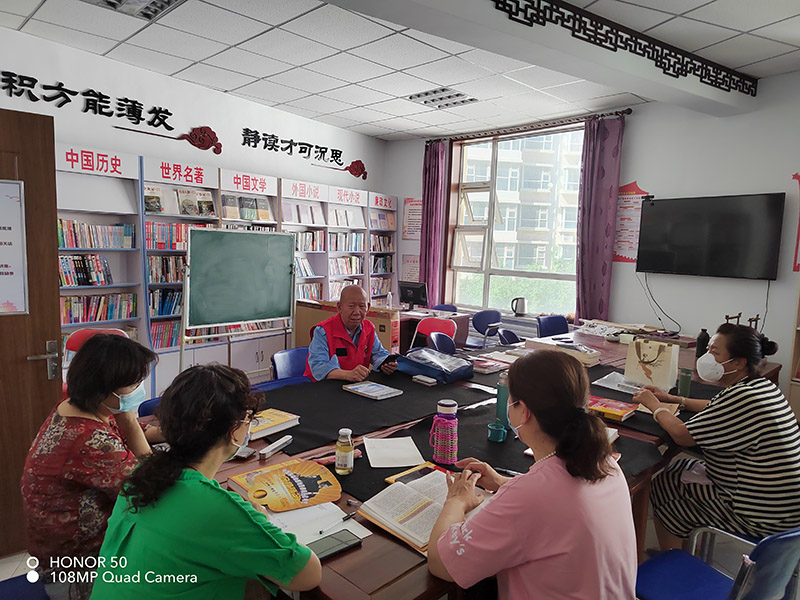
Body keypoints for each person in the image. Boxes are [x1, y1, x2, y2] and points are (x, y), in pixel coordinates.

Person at [90, 364, 321, 599]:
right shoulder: (216, 509)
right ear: (235, 429)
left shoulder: (142, 474)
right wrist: (260, 520)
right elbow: (308, 574)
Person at [427, 350, 637, 599]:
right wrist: (503, 482)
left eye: (510, 399)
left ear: (523, 411)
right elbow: (558, 501)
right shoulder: (604, 461)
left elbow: (442, 564)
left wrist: (456, 500)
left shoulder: (532, 495)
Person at [635, 323, 800, 550]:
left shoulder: (743, 398)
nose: (707, 357)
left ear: (738, 362)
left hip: (761, 514)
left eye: (714, 352)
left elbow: (682, 435)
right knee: (676, 470)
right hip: (782, 503)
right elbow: (715, 406)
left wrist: (655, 406)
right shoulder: (758, 387)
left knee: (664, 489)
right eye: (708, 350)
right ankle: (680, 544)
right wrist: (673, 399)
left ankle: (673, 558)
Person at [21, 334, 159, 600]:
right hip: (78, 574)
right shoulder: (87, 440)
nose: (139, 389)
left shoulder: (73, 409)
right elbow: (150, 489)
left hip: (61, 559)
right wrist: (131, 420)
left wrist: (161, 432)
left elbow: (115, 432)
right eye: (133, 384)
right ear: (103, 389)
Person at [304, 284, 397, 382]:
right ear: (339, 307)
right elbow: (318, 367)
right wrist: (347, 375)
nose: (357, 312)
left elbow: (379, 354)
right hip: (325, 385)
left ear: (368, 308)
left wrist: (386, 364)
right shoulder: (323, 331)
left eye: (362, 306)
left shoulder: (369, 328)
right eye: (351, 306)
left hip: (357, 384)